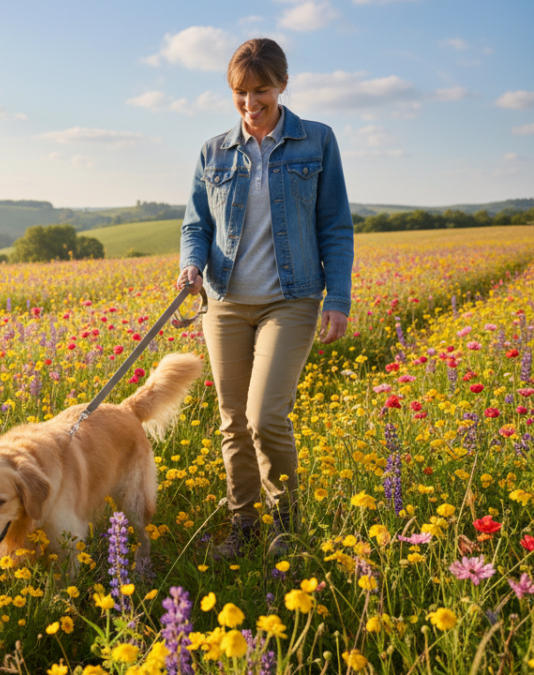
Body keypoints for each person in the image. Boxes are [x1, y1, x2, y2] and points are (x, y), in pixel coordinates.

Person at [176, 38, 354, 558]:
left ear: (282, 84)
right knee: (232, 420)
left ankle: (285, 522)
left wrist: (337, 298)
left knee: (264, 416)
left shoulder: (316, 141)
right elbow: (196, 224)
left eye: (261, 92)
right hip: (225, 299)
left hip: (290, 299)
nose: (251, 104)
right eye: (240, 93)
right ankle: (244, 527)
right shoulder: (213, 151)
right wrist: (191, 264)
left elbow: (335, 226)